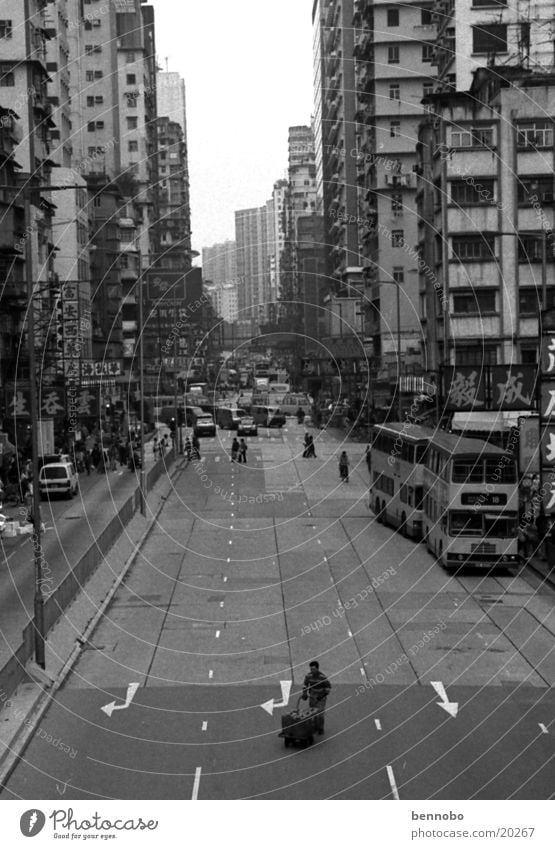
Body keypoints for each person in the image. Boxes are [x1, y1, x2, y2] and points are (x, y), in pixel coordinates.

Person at [302, 661, 331, 735]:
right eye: (311, 669)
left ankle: (320, 728)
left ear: (317, 669)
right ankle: (314, 725)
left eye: (314, 669)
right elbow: (305, 685)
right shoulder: (309, 676)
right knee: (312, 712)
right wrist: (304, 694)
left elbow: (328, 687)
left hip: (321, 696)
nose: (312, 671)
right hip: (312, 695)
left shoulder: (322, 677)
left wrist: (322, 696)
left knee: (320, 713)